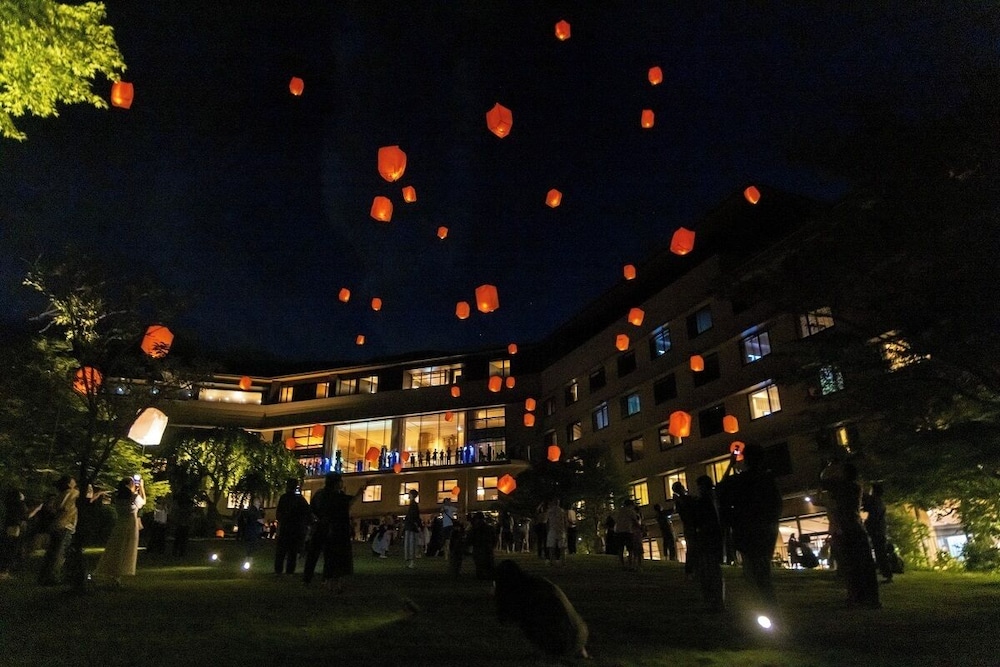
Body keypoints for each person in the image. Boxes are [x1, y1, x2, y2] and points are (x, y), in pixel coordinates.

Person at [715, 443, 783, 604]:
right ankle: (768, 607)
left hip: (746, 530)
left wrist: (731, 463)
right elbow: (777, 505)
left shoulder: (740, 480)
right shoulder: (768, 479)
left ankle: (760, 608)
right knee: (763, 570)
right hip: (765, 530)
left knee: (752, 571)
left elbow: (720, 489)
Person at [821, 461, 880, 608]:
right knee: (864, 564)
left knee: (851, 565)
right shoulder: (855, 486)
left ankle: (857, 597)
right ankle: (870, 598)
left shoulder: (842, 487)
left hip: (846, 528)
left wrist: (829, 466)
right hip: (856, 527)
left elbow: (823, 480)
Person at [303, 473, 368, 591]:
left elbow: (311, 509)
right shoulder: (336, 496)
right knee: (331, 556)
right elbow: (348, 503)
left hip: (320, 527)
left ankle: (308, 578)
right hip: (333, 529)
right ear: (336, 483)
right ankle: (329, 581)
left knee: (313, 555)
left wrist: (315, 521)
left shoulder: (319, 494)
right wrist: (360, 492)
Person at [94, 477, 146, 587]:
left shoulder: (118, 498)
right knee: (126, 548)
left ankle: (113, 574)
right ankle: (118, 574)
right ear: (129, 484)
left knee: (116, 547)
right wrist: (141, 488)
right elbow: (143, 502)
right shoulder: (134, 496)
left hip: (120, 524)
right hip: (130, 524)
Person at [38, 475, 80, 586]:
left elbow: (55, 508)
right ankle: (52, 577)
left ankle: (44, 576)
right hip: (65, 525)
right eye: (73, 480)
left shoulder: (61, 494)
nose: (75, 481)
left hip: (57, 525)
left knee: (52, 552)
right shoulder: (72, 492)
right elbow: (64, 507)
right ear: (69, 484)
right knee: (59, 553)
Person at [692, 475, 725, 612]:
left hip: (706, 538)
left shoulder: (704, 501)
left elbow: (697, 520)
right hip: (715, 538)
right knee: (714, 570)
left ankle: (712, 601)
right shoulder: (715, 499)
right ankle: (717, 601)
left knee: (707, 571)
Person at [1, 488, 42, 579]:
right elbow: (26, 516)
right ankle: (4, 571)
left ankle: (4, 570)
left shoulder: (9, 504)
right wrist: (37, 509)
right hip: (15, 528)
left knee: (7, 547)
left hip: (8, 526)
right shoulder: (20, 504)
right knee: (12, 548)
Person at [274, 478, 311, 575]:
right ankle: (289, 571)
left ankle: (278, 570)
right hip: (296, 529)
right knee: (292, 552)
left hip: (286, 528)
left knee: (281, 551)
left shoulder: (284, 498)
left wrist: (282, 520)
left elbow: (278, 514)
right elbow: (307, 513)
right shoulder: (300, 500)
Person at [863, 482, 893, 583]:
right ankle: (886, 574)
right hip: (880, 529)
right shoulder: (880, 502)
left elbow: (866, 504)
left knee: (880, 552)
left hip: (876, 530)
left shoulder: (875, 501)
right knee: (880, 552)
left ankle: (887, 574)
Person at [672, 482, 697, 577]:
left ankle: (690, 570)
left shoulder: (678, 501)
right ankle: (691, 570)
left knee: (691, 548)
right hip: (691, 525)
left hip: (687, 526)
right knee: (693, 548)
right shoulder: (685, 500)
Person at [545, 497, 568, 566]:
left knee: (551, 546)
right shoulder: (562, 511)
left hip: (552, 530)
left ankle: (552, 561)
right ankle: (563, 561)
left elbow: (547, 521)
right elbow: (565, 521)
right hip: (561, 530)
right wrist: (565, 530)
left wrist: (547, 529)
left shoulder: (550, 511)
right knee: (562, 547)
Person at [403, 488, 421, 569]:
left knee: (411, 544)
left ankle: (412, 562)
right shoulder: (413, 505)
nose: (408, 496)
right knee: (410, 544)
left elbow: (415, 517)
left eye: (409, 494)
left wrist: (417, 525)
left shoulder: (413, 505)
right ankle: (411, 561)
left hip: (411, 527)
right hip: (410, 527)